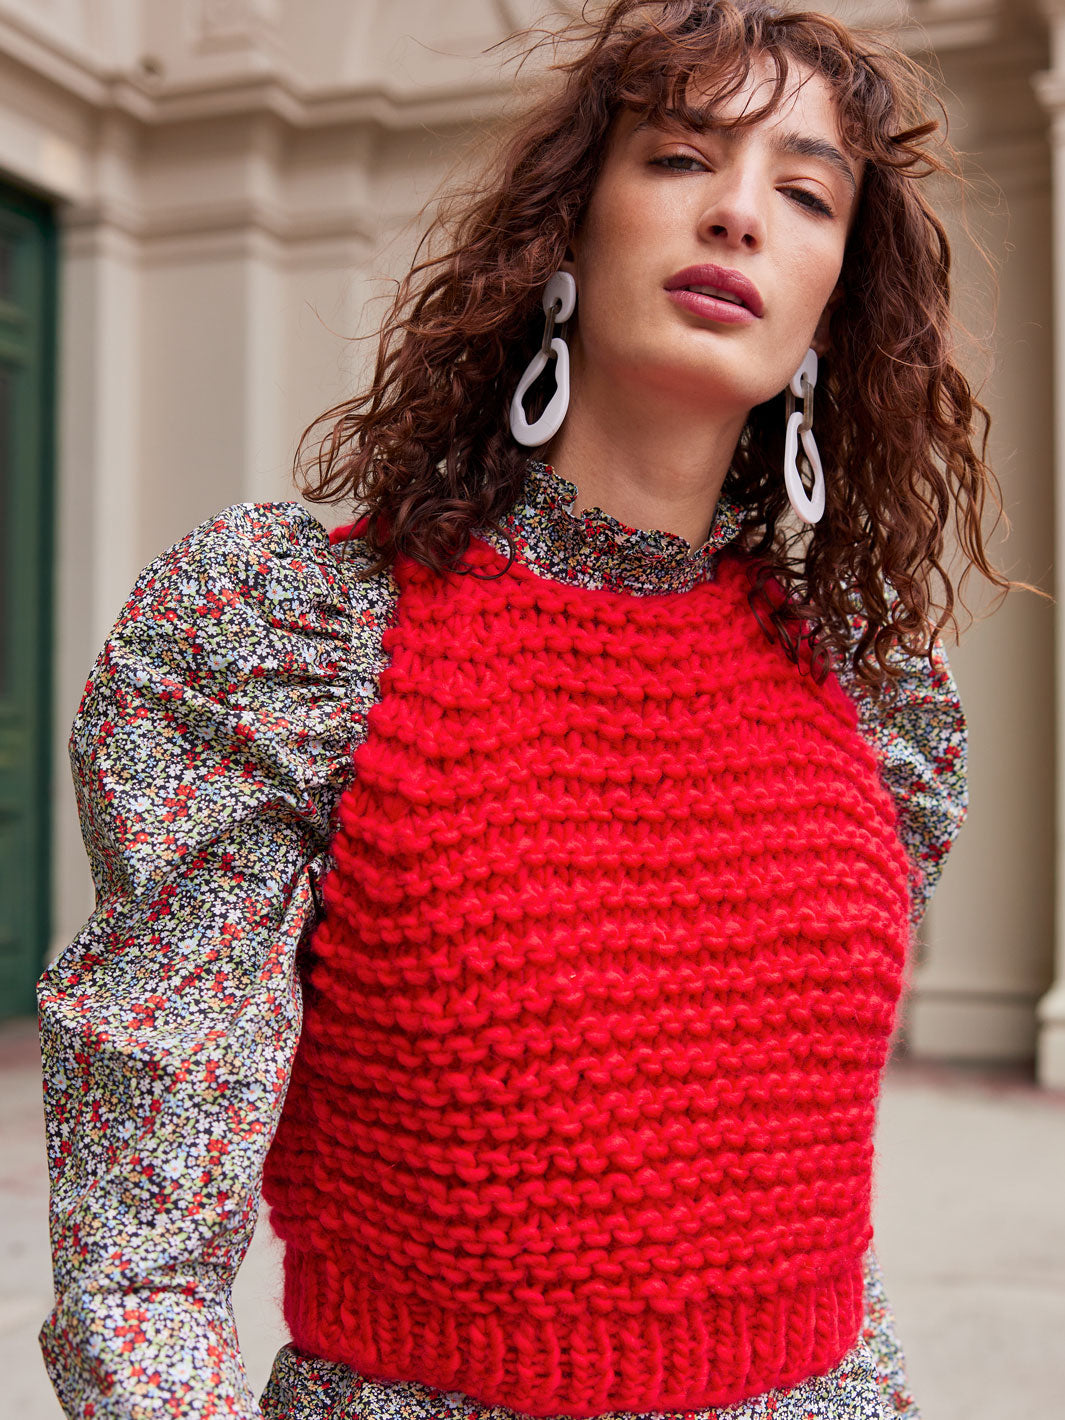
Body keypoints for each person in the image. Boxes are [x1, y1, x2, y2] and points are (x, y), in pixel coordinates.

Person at [36, 3, 1028, 1418]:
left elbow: (804, 1225)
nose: (740, 213)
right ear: (564, 231)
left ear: (829, 315)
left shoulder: (871, 706)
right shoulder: (294, 640)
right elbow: (140, 1264)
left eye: (804, 191)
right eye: (681, 158)